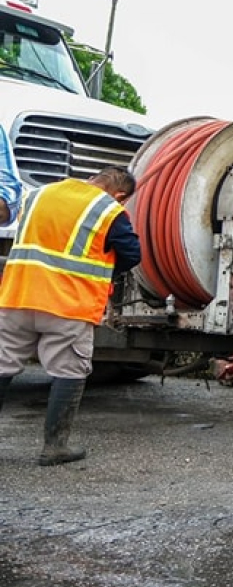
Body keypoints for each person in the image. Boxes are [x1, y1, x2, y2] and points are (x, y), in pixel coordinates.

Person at [0, 167, 139, 466]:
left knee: (2, 365)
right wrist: (106, 272)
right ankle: (55, 447)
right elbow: (131, 253)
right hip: (68, 304)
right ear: (120, 195)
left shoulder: (37, 195)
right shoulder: (108, 209)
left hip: (16, 296)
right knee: (69, 370)